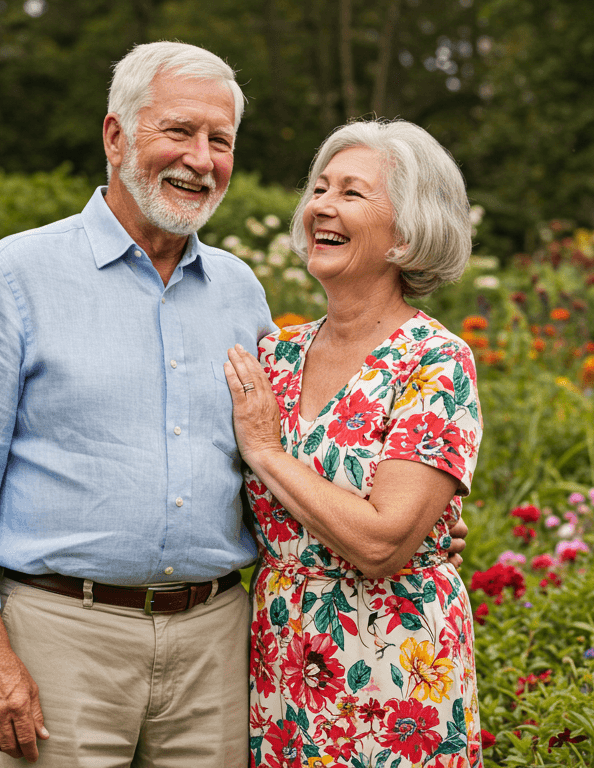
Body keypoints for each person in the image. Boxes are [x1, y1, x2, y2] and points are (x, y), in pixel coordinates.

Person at [0, 44, 469, 766]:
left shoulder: (242, 295)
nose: (199, 159)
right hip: (65, 635)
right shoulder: (18, 277)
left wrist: (423, 531)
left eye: (220, 141)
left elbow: (288, 458)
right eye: (178, 131)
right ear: (115, 137)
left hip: (219, 639)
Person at [223, 120, 483, 768]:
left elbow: (380, 542)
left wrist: (269, 454)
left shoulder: (434, 361)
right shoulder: (275, 355)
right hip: (280, 659)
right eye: (318, 189)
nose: (322, 207)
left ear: (407, 231)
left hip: (392, 667)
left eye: (352, 193)